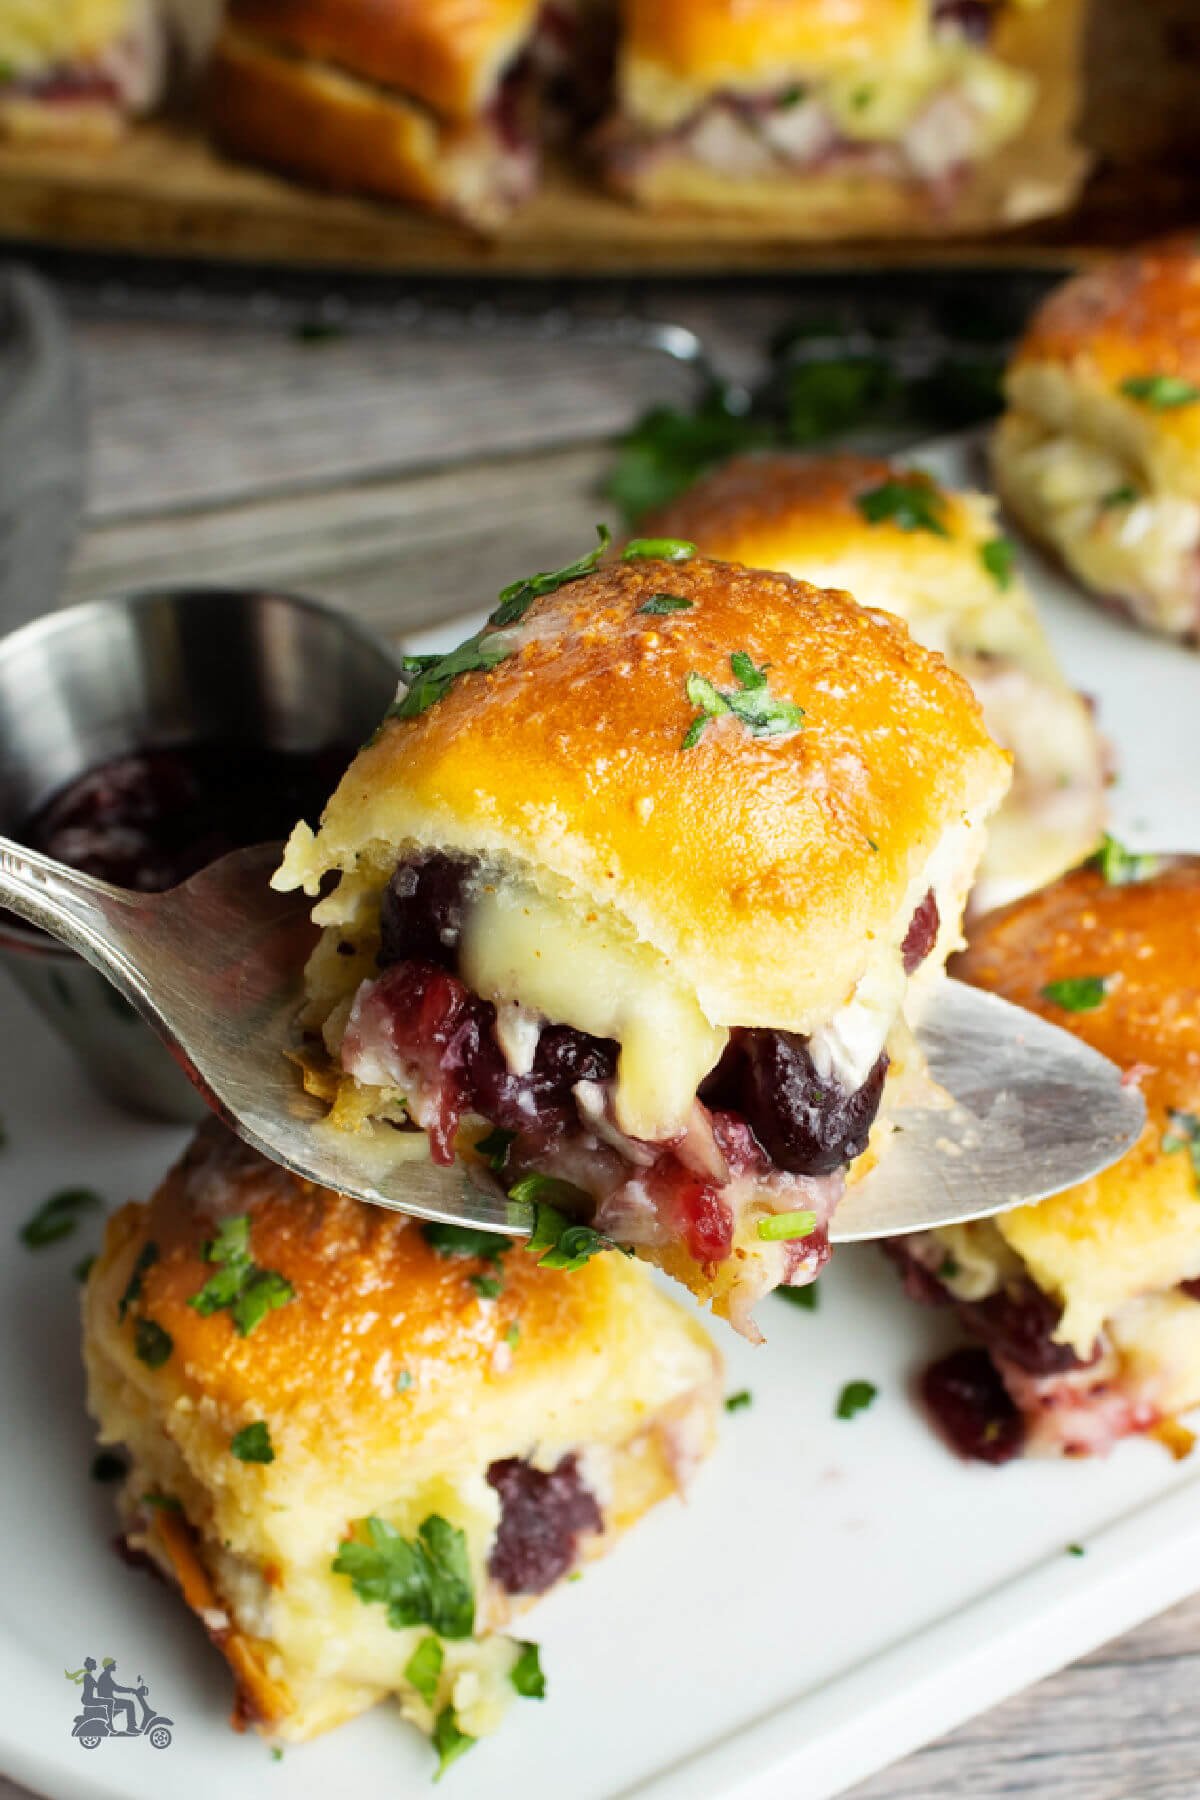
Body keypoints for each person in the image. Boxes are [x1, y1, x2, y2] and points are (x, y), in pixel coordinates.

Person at [94, 1657, 139, 1734]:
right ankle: (131, 1727)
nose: (115, 1666)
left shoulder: (105, 1675)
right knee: (130, 1704)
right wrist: (131, 1690)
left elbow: (116, 1688)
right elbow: (117, 1689)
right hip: (108, 1701)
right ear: (109, 1666)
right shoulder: (105, 1677)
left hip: (110, 1700)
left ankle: (131, 1727)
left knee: (129, 1703)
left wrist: (130, 1690)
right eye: (113, 1664)